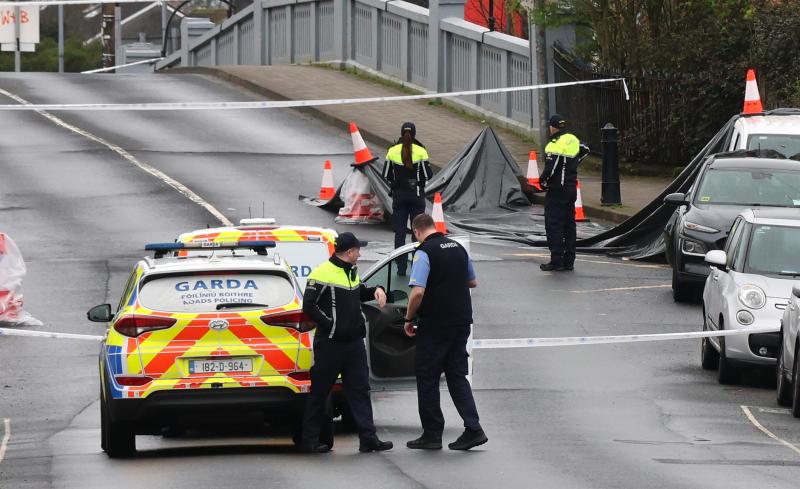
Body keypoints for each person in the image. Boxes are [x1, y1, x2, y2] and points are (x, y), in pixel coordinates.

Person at [300, 232, 393, 453]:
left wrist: (377, 290)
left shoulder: (351, 272)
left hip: (354, 344)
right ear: (349, 252)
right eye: (358, 250)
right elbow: (309, 306)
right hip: (330, 344)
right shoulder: (322, 273)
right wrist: (330, 326)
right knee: (320, 392)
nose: (360, 254)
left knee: (360, 390)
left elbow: (360, 292)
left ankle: (368, 439)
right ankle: (310, 439)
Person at [402, 214, 487, 451]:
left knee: (427, 377)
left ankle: (432, 433)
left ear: (417, 231)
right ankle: (473, 428)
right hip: (460, 322)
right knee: (457, 376)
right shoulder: (458, 248)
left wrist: (408, 318)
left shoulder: (424, 252)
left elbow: (417, 293)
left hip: (435, 324)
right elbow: (472, 282)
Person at [539, 114, 589, 272]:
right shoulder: (572, 139)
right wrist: (571, 167)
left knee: (554, 225)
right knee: (569, 224)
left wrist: (542, 182)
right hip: (571, 188)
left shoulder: (553, 145)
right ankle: (569, 261)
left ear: (552, 127)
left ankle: (557, 261)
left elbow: (551, 168)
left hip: (557, 190)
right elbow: (585, 150)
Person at [383, 122, 434, 276]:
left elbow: (386, 174)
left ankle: (400, 268)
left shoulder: (392, 151)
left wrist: (398, 182)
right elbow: (428, 175)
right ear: (414, 133)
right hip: (416, 196)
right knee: (417, 232)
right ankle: (416, 267)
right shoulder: (421, 151)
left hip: (399, 197)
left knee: (399, 233)